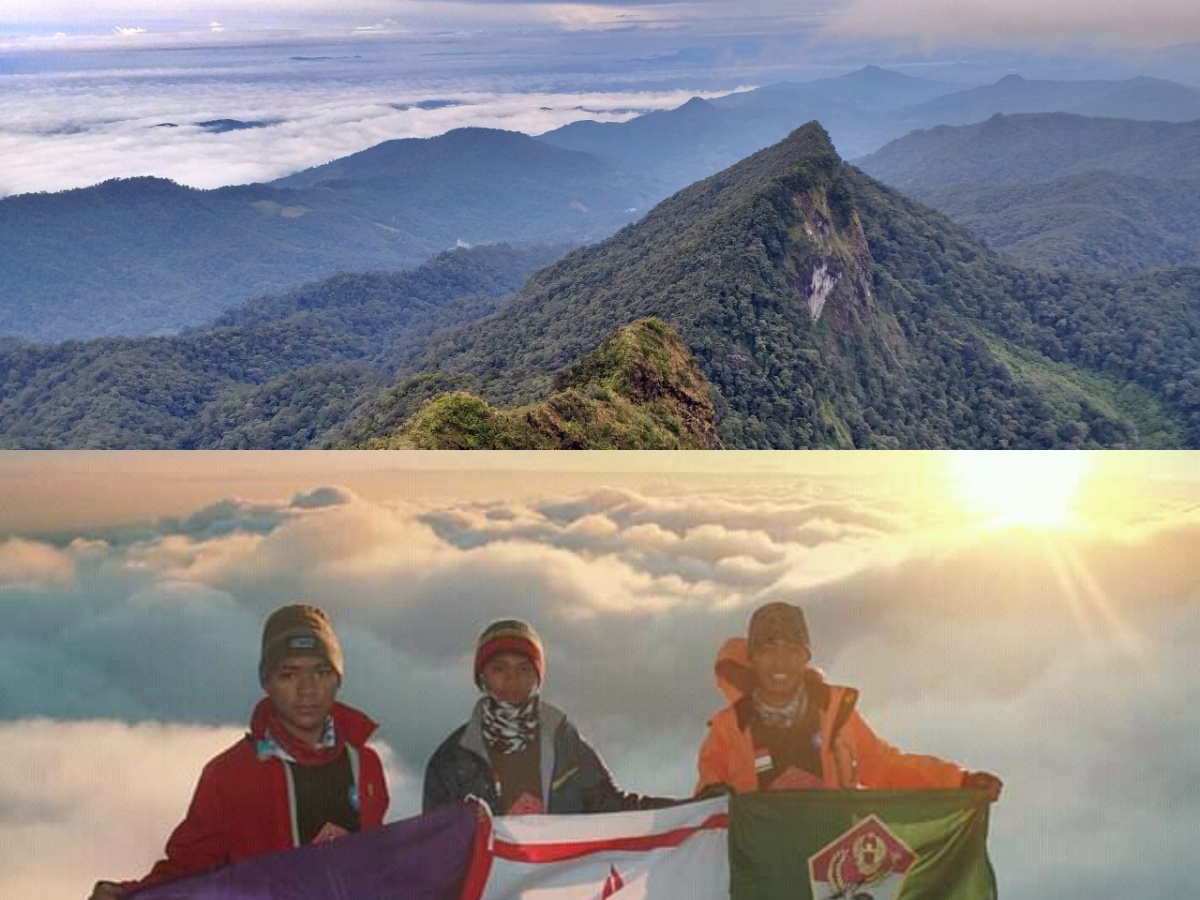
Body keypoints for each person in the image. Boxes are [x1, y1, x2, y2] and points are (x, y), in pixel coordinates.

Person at [89, 604, 390, 900]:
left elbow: (379, 864)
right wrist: (128, 894)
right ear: (266, 682)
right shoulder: (231, 774)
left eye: (321, 671)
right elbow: (190, 866)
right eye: (289, 674)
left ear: (338, 678)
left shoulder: (364, 764)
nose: (307, 689)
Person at [696, 601, 1002, 800]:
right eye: (768, 650)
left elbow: (884, 766)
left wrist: (959, 782)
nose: (780, 663)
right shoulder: (728, 730)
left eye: (792, 650)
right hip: (762, 878)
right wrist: (711, 799)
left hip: (832, 870)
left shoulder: (834, 715)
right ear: (753, 659)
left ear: (806, 657)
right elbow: (700, 817)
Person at [424, 618, 674, 815]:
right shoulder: (452, 759)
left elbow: (610, 805)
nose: (512, 678)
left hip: (559, 880)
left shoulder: (563, 740)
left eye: (524, 669)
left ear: (537, 677)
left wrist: (694, 808)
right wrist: (486, 824)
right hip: (492, 881)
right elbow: (435, 845)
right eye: (499, 668)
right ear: (482, 677)